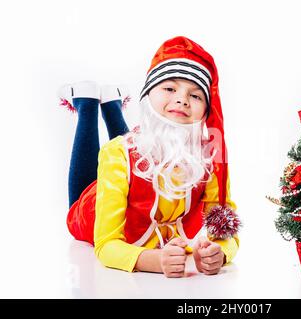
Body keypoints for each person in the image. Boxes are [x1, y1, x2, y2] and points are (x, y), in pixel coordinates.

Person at [59, 36, 240, 278]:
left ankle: (112, 104)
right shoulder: (117, 154)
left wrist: (220, 253)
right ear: (148, 94)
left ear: (207, 111)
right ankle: (87, 103)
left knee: (133, 148)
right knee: (78, 204)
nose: (182, 100)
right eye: (169, 88)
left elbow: (225, 232)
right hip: (93, 211)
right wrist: (154, 260)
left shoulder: (209, 158)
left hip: (133, 180)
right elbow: (106, 245)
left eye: (196, 96)